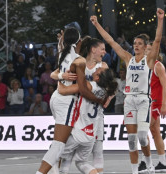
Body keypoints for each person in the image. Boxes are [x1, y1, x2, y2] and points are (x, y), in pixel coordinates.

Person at [91, 8, 164, 174]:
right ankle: (134, 171)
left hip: (144, 100)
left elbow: (158, 40)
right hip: (129, 100)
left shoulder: (149, 60)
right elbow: (111, 42)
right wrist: (97, 25)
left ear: (146, 47)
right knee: (131, 141)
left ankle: (149, 164)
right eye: (135, 43)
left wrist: (160, 20)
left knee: (142, 136)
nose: (136, 46)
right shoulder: (128, 58)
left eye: (139, 44)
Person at [36, 28, 105, 174]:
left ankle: (57, 170)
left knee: (62, 143)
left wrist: (61, 75)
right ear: (79, 41)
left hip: (56, 97)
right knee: (59, 145)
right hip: (66, 101)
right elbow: (83, 90)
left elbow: (55, 72)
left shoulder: (63, 52)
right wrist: (99, 100)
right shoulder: (79, 61)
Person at [51, 36, 109, 174]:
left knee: (95, 149)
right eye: (102, 49)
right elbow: (54, 73)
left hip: (89, 114)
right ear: (93, 49)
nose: (105, 52)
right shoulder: (79, 62)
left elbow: (109, 87)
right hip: (78, 111)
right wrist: (62, 76)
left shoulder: (102, 67)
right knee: (76, 155)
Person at [58, 68, 118, 174]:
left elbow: (62, 90)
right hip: (90, 135)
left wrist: (61, 78)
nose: (95, 70)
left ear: (97, 77)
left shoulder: (89, 86)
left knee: (54, 154)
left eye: (98, 70)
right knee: (81, 162)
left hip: (78, 131)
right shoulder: (105, 92)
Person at [139, 43, 166, 173]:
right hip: (146, 102)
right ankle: (163, 163)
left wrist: (163, 104)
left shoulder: (158, 65)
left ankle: (144, 162)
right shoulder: (142, 65)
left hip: (155, 103)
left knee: (142, 131)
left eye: (150, 49)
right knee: (155, 132)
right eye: (146, 49)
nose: (147, 51)